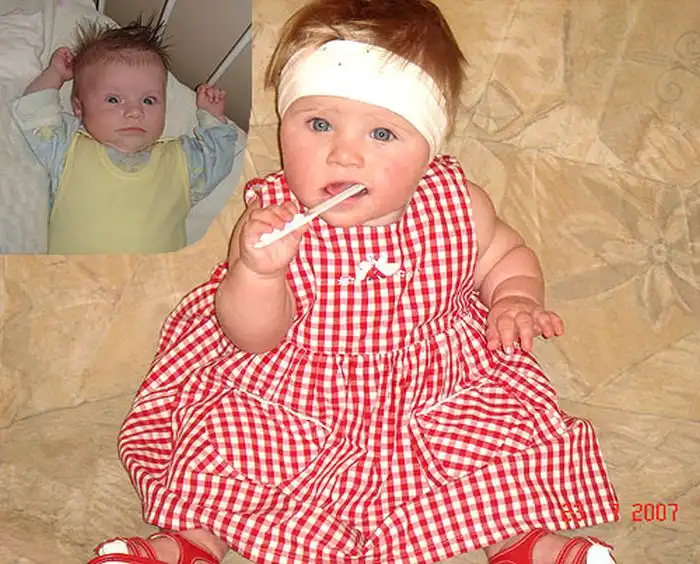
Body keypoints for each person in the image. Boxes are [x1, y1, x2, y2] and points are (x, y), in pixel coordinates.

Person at [89, 1, 619, 562]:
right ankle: (191, 543)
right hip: (292, 390)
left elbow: (506, 255)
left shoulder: (458, 205)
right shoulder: (274, 220)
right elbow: (250, 336)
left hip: (435, 384)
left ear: (429, 149)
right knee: (226, 449)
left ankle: (522, 541)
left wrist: (514, 297)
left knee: (503, 442)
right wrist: (260, 272)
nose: (343, 154)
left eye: (383, 133)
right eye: (319, 124)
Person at [11, 18, 238, 255]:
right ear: (79, 107)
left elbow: (218, 158)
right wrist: (55, 74)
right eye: (114, 99)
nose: (135, 111)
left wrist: (212, 117)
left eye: (148, 100)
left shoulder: (183, 161)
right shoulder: (67, 147)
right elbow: (34, 111)